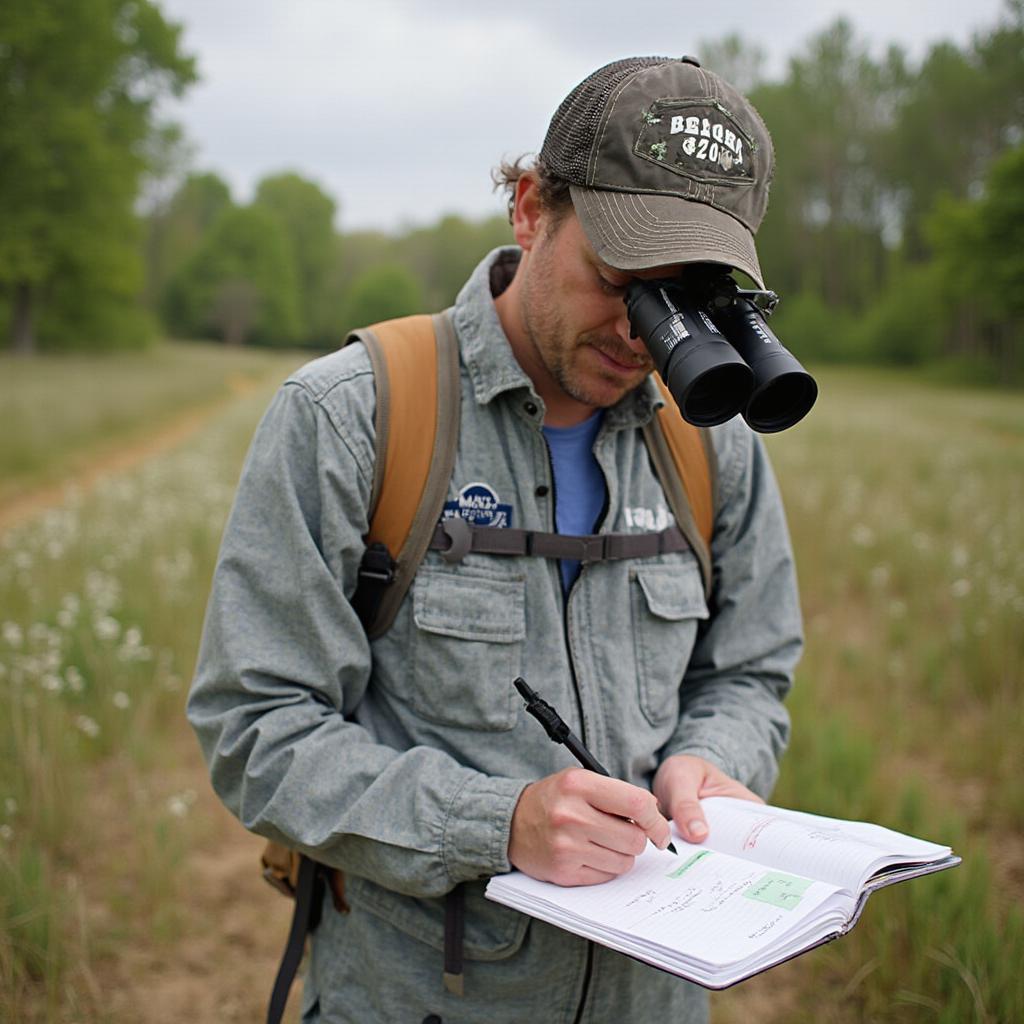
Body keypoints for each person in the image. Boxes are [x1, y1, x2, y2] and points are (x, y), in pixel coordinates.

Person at [188, 55, 803, 1024]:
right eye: (622, 278)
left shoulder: (709, 442)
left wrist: (710, 761)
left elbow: (750, 670)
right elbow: (256, 723)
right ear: (530, 206)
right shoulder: (354, 415)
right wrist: (496, 824)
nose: (645, 333)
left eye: (686, 293)